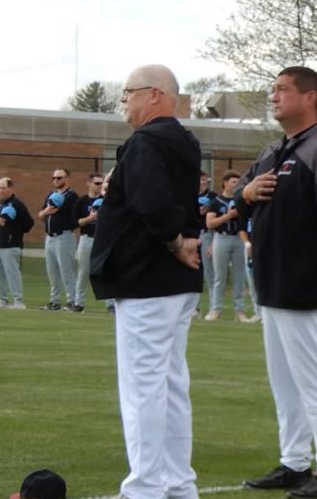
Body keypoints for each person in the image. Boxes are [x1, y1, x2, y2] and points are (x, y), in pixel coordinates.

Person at [236, 66, 317, 499]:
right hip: (273, 284)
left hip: (309, 284)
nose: (273, 96)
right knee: (285, 382)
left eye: (282, 89)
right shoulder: (274, 152)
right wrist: (246, 193)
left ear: (310, 97)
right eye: (272, 89)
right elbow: (238, 204)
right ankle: (295, 462)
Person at [90, 63, 205, 499]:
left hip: (145, 278)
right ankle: (177, 484)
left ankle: (143, 489)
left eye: (129, 92)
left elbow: (151, 202)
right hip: (173, 282)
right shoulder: (183, 140)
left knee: (143, 389)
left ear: (154, 95)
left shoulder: (147, 140)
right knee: (172, 386)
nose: (124, 101)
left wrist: (174, 240)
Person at [206, 172, 252, 322]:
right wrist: (228, 216)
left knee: (239, 277)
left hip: (238, 238)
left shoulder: (242, 201)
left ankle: (240, 311)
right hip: (222, 237)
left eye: (238, 182)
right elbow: (210, 223)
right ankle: (215, 310)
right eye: (233, 182)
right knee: (220, 276)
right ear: (225, 183)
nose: (236, 185)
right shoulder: (216, 201)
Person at [40, 168, 82, 311]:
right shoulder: (50, 195)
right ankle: (54, 301)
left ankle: (72, 301)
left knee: (66, 271)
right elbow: (41, 214)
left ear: (67, 179)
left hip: (64, 236)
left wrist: (57, 211)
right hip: (50, 237)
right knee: (52, 272)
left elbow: (74, 217)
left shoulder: (71, 196)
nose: (56, 180)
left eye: (59, 178)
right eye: (54, 178)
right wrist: (46, 212)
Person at [0, 178, 31, 309]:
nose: (1, 191)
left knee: (12, 273)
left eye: (3, 188)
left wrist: (14, 230)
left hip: (11, 244)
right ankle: (2, 299)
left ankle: (18, 300)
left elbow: (29, 223)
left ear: (11, 188)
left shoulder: (17, 204)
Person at [75, 172, 105, 311]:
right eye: (97, 183)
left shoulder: (107, 200)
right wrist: (91, 218)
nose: (100, 186)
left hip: (102, 239)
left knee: (106, 271)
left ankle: (110, 304)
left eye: (101, 183)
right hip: (86, 239)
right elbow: (77, 222)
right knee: (83, 272)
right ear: (89, 184)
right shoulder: (82, 201)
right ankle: (78, 303)